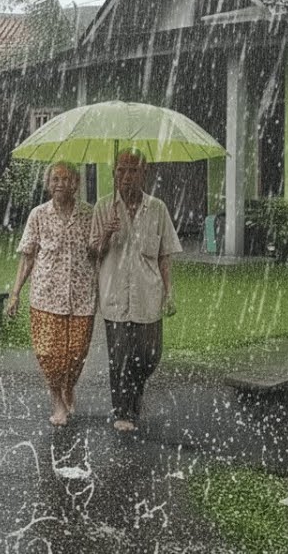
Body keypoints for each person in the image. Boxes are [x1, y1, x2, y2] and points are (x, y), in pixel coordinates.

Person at [90, 148, 182, 432]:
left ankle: (136, 388)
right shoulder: (103, 208)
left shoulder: (158, 209)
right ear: (114, 174)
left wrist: (169, 292)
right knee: (119, 357)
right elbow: (92, 252)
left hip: (148, 294)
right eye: (121, 170)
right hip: (115, 294)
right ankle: (123, 411)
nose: (126, 176)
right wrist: (106, 234)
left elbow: (165, 254)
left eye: (133, 170)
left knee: (150, 356)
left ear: (145, 173)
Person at [5, 162, 97, 426]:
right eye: (55, 179)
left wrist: (107, 234)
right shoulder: (38, 215)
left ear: (76, 184)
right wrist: (15, 293)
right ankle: (57, 398)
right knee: (48, 353)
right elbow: (28, 257)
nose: (59, 183)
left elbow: (96, 253)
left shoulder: (88, 214)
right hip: (45, 296)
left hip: (81, 297)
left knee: (76, 352)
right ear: (48, 184)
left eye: (65, 179)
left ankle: (69, 386)